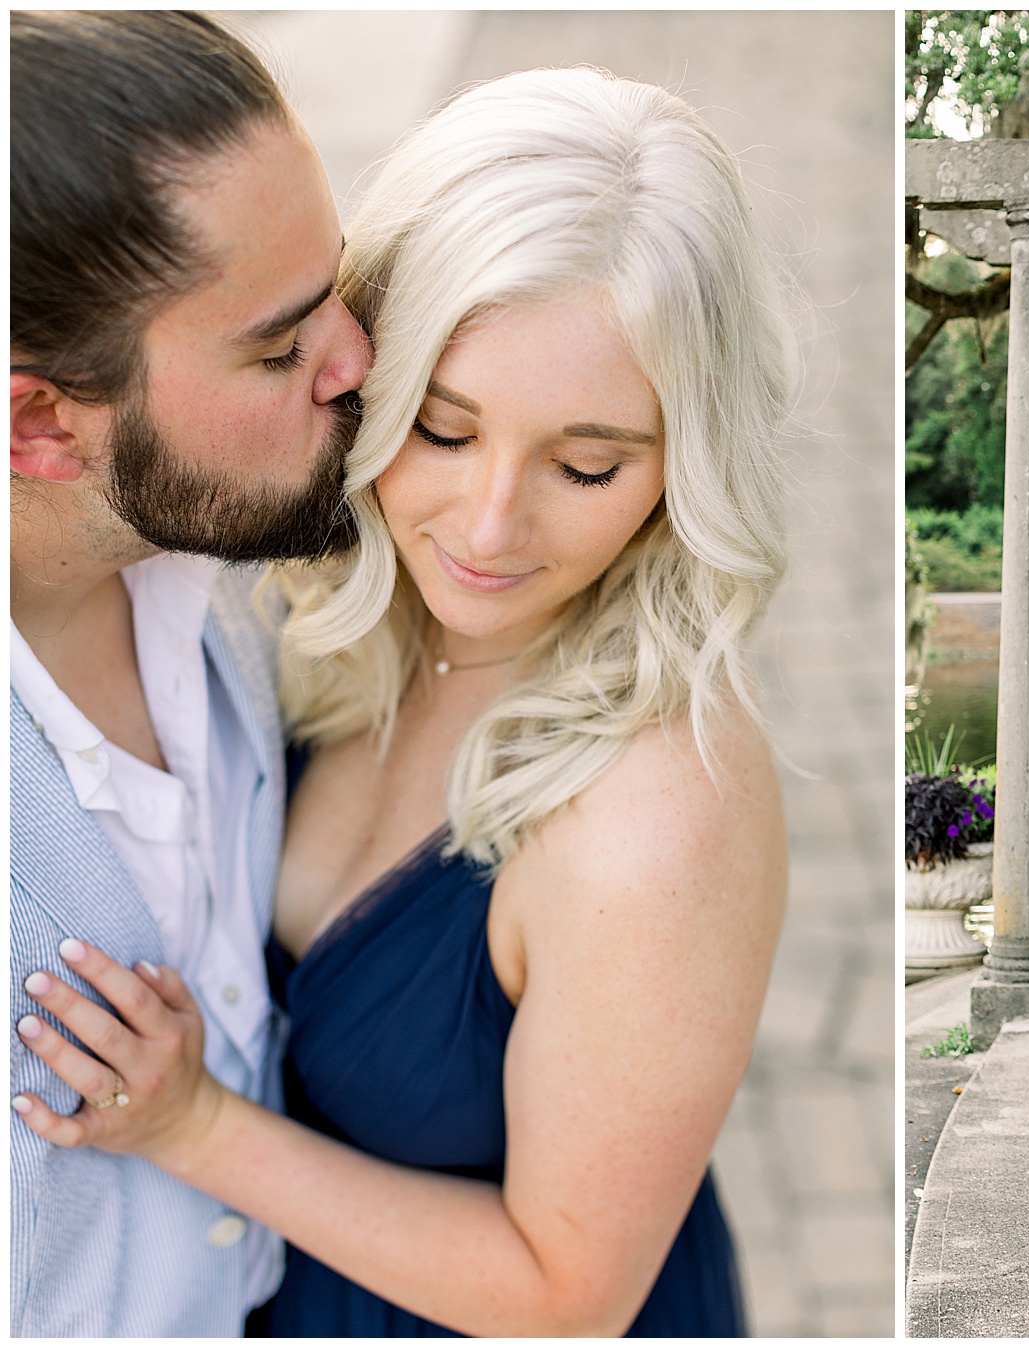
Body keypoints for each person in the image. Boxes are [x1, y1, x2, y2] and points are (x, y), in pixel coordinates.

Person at [12, 67, 791, 1336]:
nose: (489, 528)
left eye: (587, 463)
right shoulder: (297, 603)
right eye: (438, 428)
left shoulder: (661, 811)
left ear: (681, 466)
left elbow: (570, 1295)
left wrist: (200, 1125)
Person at [10, 11, 371, 1335]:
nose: (356, 363)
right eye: (278, 351)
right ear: (41, 422)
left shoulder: (222, 570)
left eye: (337, 290)